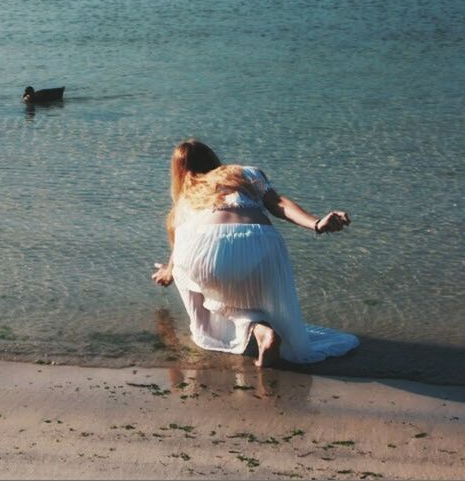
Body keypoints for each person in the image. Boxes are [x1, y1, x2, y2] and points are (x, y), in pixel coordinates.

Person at [152, 139, 358, 367]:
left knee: (190, 272)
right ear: (213, 159)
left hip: (211, 248)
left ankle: (229, 331)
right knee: (233, 290)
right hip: (263, 244)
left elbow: (184, 243)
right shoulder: (244, 174)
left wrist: (168, 272)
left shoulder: (186, 196)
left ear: (179, 171)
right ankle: (262, 331)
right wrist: (317, 223)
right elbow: (279, 204)